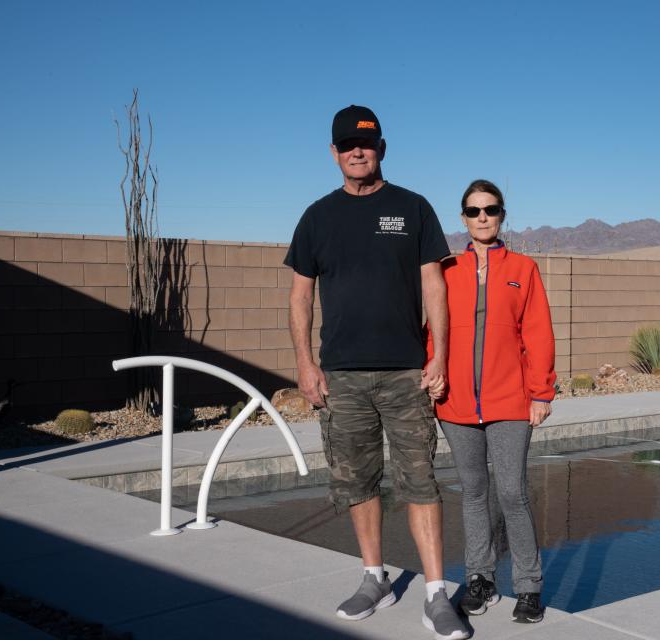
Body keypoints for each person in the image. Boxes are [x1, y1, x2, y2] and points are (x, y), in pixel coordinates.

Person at [285, 105, 469, 640]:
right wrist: (304, 362)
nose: (356, 152)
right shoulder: (317, 216)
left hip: (405, 373)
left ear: (381, 148)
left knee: (420, 481)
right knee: (357, 481)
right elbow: (300, 296)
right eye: (346, 145)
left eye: (364, 144)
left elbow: (434, 285)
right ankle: (374, 578)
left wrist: (439, 355)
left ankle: (436, 594)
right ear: (334, 153)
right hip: (341, 376)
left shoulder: (411, 208)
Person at [427, 179, 556, 624]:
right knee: (474, 493)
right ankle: (480, 580)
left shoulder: (524, 268)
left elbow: (538, 335)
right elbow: (431, 332)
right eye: (474, 210)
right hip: (457, 403)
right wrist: (433, 374)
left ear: (503, 215)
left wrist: (541, 392)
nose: (483, 217)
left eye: (491, 209)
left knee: (512, 492)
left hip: (509, 402)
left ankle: (529, 587)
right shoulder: (445, 269)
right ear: (462, 217)